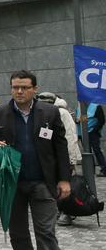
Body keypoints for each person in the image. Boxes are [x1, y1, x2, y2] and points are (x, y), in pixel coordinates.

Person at [0, 70, 73, 250]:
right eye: (15, 87)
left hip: (43, 183)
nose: (19, 91)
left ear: (34, 88)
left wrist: (64, 179)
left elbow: (60, 147)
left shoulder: (50, 113)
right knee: (19, 234)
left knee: (46, 234)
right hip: (11, 184)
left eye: (24, 87)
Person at [38, 92, 81, 227]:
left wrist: (70, 160)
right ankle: (59, 209)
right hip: (52, 157)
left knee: (66, 186)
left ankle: (67, 213)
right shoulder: (46, 113)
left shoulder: (61, 113)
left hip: (64, 156)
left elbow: (69, 136)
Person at [76, 102, 106, 177]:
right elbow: (80, 119)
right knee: (87, 152)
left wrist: (94, 130)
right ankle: (90, 170)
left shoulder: (96, 106)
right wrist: (77, 121)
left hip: (92, 133)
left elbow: (101, 120)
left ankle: (104, 169)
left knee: (97, 150)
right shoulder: (79, 107)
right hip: (83, 133)